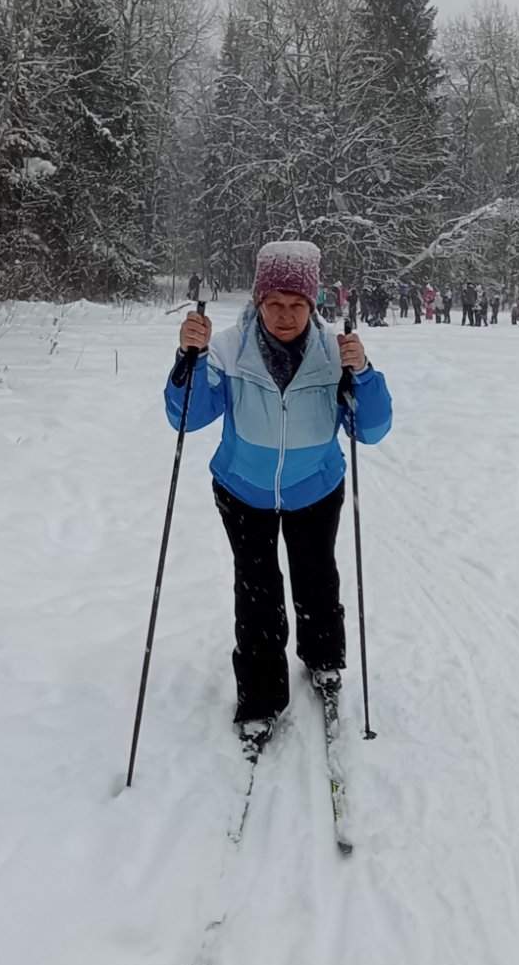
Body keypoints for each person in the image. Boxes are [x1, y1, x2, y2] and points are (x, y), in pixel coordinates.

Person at [168, 241, 393, 747]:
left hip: (314, 487)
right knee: (257, 592)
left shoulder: (337, 354)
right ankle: (261, 697)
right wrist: (189, 358)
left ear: (313, 307)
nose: (285, 316)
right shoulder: (227, 348)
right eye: (275, 304)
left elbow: (372, 430)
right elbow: (185, 415)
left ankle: (324, 659)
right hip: (243, 488)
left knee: (316, 579)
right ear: (258, 302)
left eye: (297, 305)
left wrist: (365, 374)